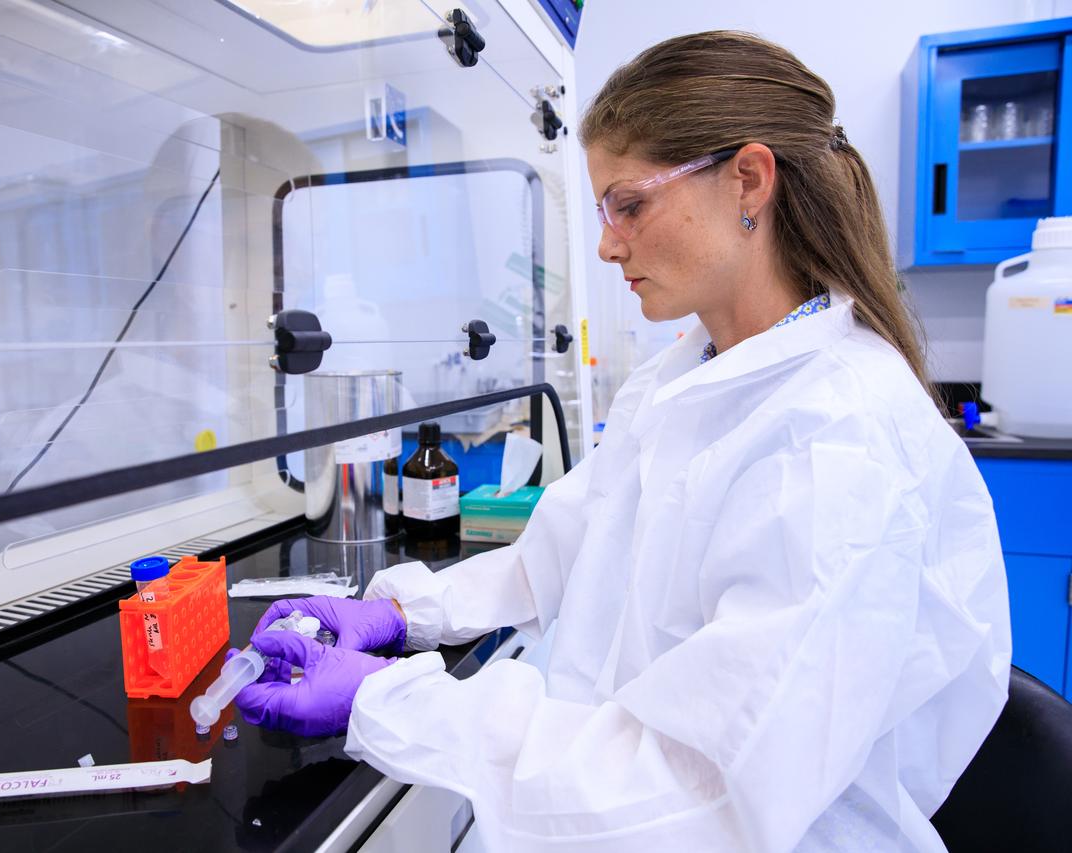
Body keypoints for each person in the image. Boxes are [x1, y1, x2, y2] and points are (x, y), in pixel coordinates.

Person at [232, 31, 1011, 851]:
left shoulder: (836, 441)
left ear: (748, 180)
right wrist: (402, 614)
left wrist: (386, 701)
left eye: (628, 204)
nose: (607, 243)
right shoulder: (689, 373)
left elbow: (699, 790)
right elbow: (566, 549)